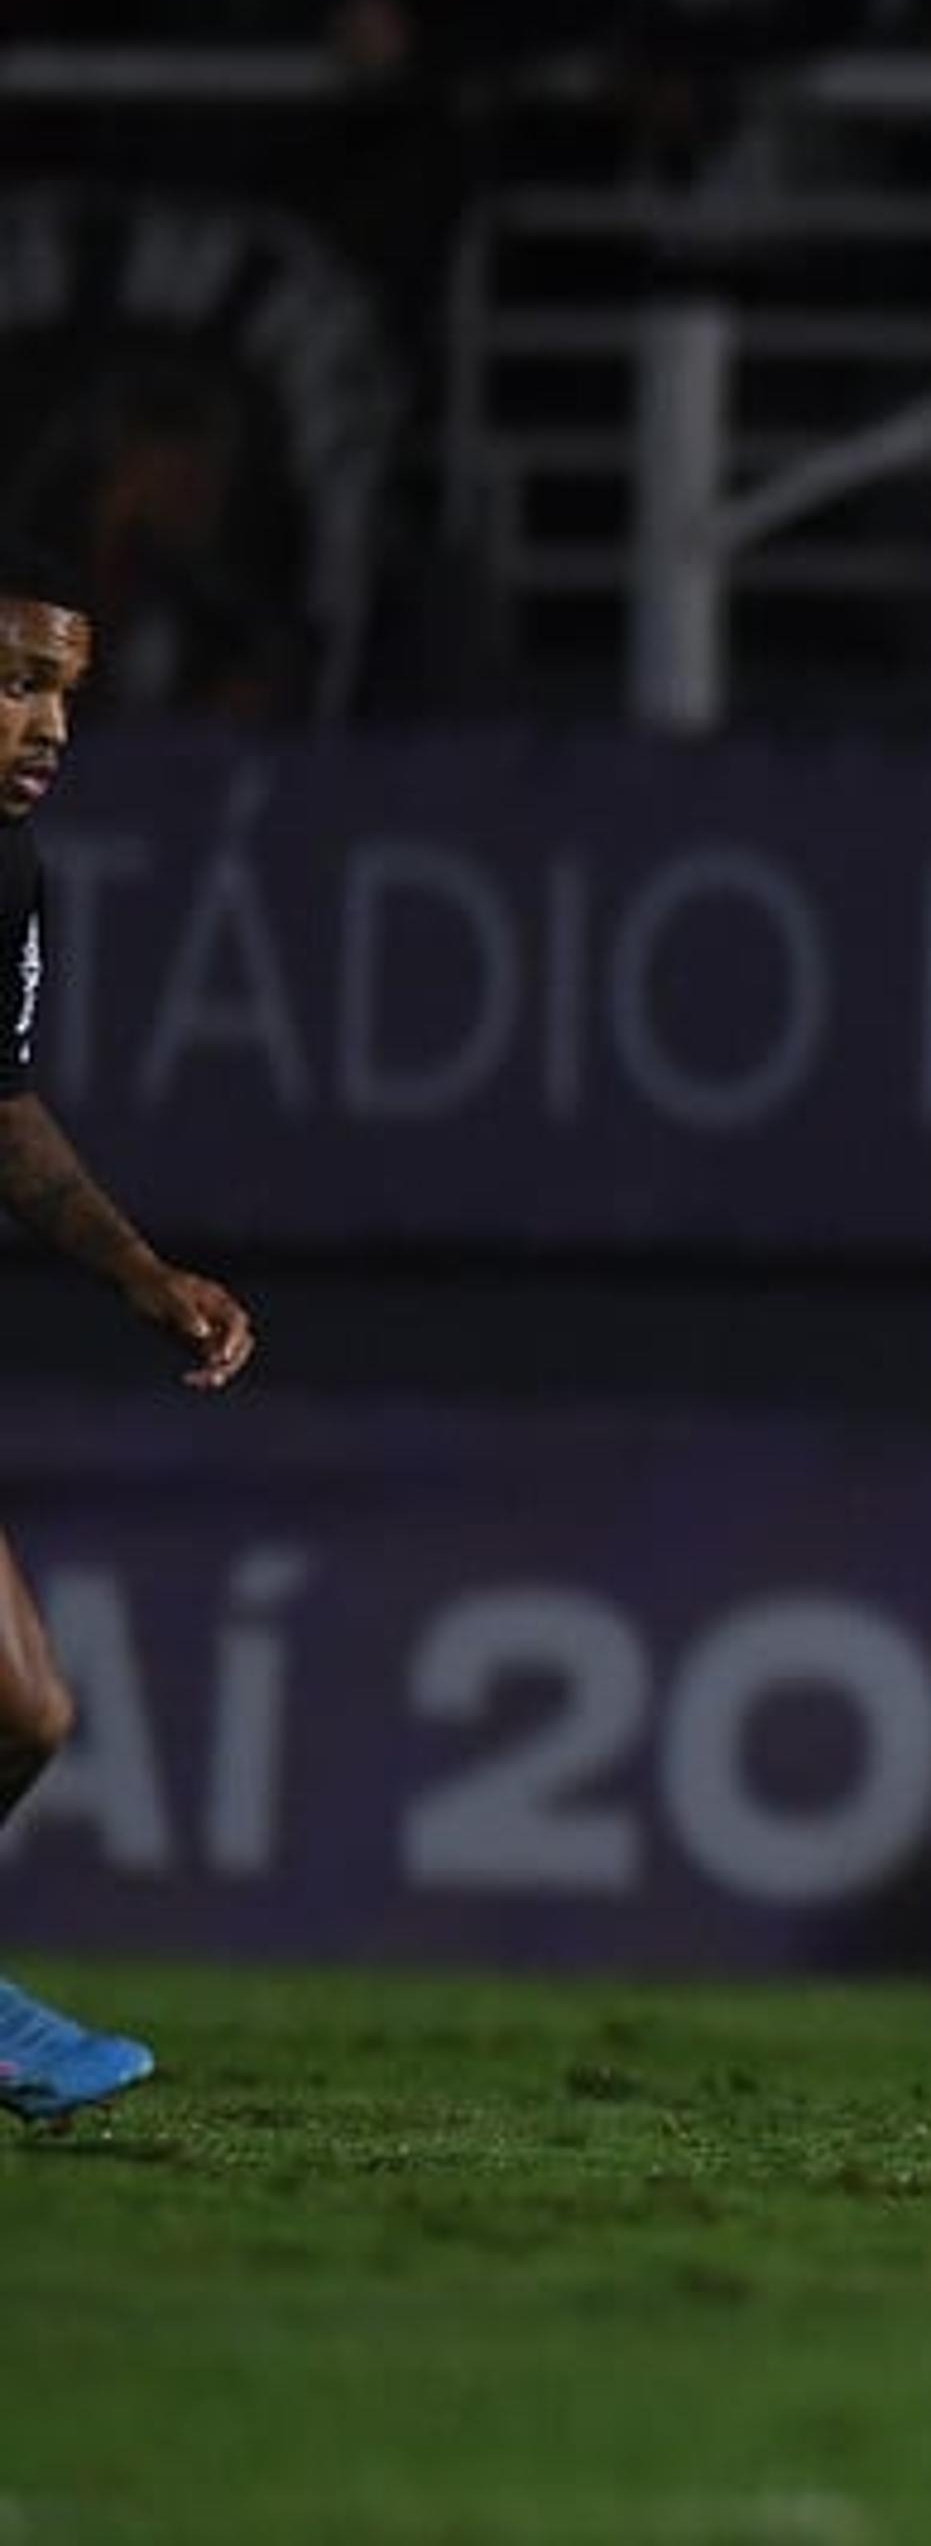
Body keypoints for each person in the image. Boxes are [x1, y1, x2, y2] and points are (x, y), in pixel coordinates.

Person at [0, 548, 260, 2124]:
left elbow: (1, 1115)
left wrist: (145, 1274)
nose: (50, 726)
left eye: (66, 694)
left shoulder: (8, 875)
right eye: (20, 683)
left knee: (30, 1714)